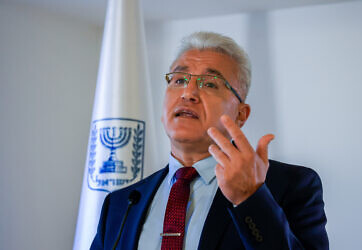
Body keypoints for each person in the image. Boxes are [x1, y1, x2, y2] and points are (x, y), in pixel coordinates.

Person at [90, 31, 328, 250]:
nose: (188, 93)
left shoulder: (291, 186)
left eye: (210, 83)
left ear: (241, 114)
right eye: (179, 80)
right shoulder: (120, 204)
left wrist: (250, 199)